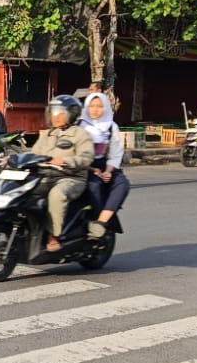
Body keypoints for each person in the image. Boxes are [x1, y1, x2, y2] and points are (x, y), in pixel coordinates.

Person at [34, 94, 95, 252]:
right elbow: (34, 153)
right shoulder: (48, 134)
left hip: (71, 178)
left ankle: (53, 235)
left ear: (71, 114)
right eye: (53, 112)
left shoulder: (80, 134)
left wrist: (66, 161)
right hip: (47, 175)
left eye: (60, 112)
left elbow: (86, 157)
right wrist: (12, 159)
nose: (55, 116)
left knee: (57, 194)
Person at [79, 93, 129, 239]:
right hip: (82, 165)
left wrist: (108, 171)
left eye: (100, 106)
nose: (95, 110)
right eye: (92, 106)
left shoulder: (111, 127)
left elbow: (115, 152)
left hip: (102, 163)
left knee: (122, 184)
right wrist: (90, 169)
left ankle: (101, 223)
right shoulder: (78, 125)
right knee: (94, 186)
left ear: (106, 108)